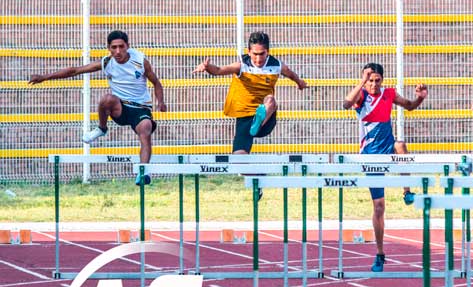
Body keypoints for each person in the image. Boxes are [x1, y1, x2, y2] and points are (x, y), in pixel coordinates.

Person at [28, 30, 166, 185]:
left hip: (140, 108)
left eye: (121, 47)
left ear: (128, 46)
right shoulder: (107, 62)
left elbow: (156, 83)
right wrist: (44, 78)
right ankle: (101, 128)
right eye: (114, 47)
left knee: (145, 128)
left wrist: (160, 102)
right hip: (120, 108)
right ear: (109, 48)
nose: (118, 51)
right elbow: (75, 70)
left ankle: (143, 172)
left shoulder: (140, 61)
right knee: (107, 99)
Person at [343, 63, 428, 273]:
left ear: (382, 80)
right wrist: (361, 81)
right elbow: (346, 104)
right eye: (370, 80)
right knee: (379, 207)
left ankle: (407, 191)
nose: (373, 84)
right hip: (371, 157)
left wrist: (420, 97)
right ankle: (380, 253)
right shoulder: (361, 97)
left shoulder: (389, 94)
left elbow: (409, 105)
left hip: (388, 149)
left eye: (377, 80)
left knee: (400, 145)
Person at [193, 31, 307, 154]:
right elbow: (219, 70)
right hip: (244, 116)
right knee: (239, 158)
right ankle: (256, 172)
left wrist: (299, 82)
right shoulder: (242, 65)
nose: (258, 59)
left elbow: (290, 73)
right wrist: (207, 67)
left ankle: (259, 121)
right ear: (248, 51)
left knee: (270, 100)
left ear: (267, 51)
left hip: (266, 118)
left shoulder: (276, 66)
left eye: (262, 54)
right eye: (255, 54)